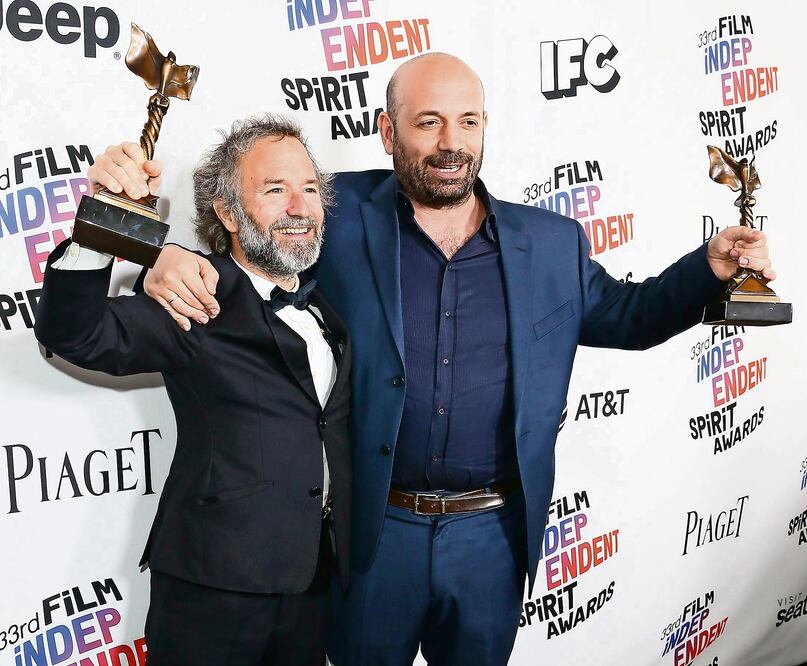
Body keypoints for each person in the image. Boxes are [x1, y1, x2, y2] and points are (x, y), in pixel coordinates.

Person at [90, 54, 776, 666]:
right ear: (389, 134)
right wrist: (165, 256)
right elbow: (257, 245)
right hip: (371, 535)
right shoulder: (337, 211)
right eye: (427, 122)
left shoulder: (552, 243)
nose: (450, 142)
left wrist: (706, 271)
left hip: (493, 538)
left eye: (467, 121)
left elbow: (631, 316)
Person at [34, 115, 352, 666]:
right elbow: (75, 333)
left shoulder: (330, 307)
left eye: (308, 188)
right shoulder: (197, 295)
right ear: (227, 212)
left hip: (312, 586)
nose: (299, 206)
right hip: (213, 588)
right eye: (274, 190)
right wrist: (107, 222)